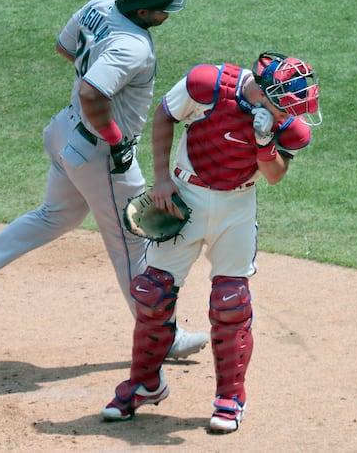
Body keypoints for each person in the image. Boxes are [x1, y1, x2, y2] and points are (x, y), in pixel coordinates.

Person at [0, 0, 208, 359]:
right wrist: (115, 140)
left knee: (53, 217)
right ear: (144, 13)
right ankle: (160, 336)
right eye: (163, 10)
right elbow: (93, 93)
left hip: (66, 132)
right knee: (132, 245)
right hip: (100, 154)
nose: (167, 15)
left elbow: (66, 49)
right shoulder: (134, 47)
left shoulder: (100, 5)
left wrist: (98, 70)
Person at [100, 51, 321, 433]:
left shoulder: (289, 127)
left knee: (230, 301)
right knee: (152, 292)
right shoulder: (207, 86)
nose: (293, 113)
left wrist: (265, 138)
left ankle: (231, 397)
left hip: (237, 206)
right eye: (286, 104)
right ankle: (145, 384)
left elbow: (274, 175)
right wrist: (161, 179)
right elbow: (164, 115)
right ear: (265, 90)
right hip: (185, 194)